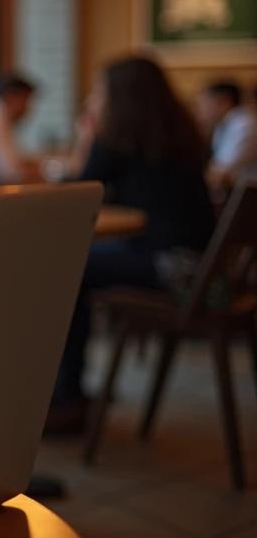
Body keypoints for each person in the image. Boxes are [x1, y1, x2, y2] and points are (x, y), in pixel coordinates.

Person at [46, 56, 215, 434]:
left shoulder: (118, 139)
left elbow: (75, 194)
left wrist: (86, 135)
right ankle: (70, 392)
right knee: (76, 267)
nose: (94, 98)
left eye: (101, 90)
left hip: (174, 270)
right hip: (203, 270)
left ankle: (67, 399)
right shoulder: (177, 136)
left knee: (65, 270)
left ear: (120, 97)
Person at [195, 80, 257, 193]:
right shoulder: (225, 124)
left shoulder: (243, 123)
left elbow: (220, 174)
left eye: (204, 102)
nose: (200, 109)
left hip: (248, 198)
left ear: (223, 101)